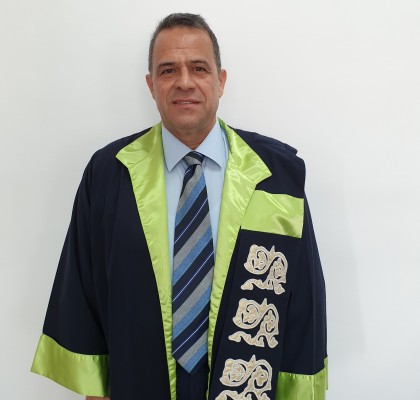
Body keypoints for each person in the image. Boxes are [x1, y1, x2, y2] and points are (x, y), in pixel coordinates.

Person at [31, 13, 327, 400]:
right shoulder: (108, 174)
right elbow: (83, 300)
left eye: (199, 68)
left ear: (220, 81)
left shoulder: (277, 176)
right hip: (138, 383)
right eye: (168, 70)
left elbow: (303, 303)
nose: (184, 81)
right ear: (151, 85)